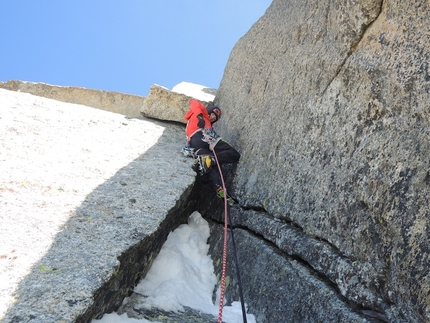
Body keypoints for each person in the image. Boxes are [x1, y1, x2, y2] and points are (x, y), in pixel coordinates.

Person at [184, 99, 240, 204]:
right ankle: (212, 159)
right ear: (208, 111)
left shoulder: (203, 123)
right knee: (234, 154)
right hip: (204, 136)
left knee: (208, 165)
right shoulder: (201, 115)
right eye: (213, 114)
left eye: (216, 118)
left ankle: (218, 188)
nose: (213, 117)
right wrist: (200, 116)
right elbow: (194, 102)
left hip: (195, 144)